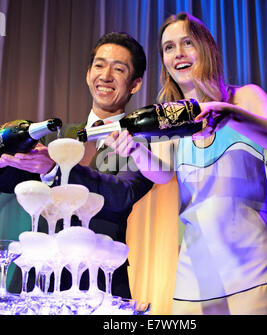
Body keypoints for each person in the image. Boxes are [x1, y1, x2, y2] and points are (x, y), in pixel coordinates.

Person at [104, 12, 267, 314]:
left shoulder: (244, 97)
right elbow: (162, 174)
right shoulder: (171, 118)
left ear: (206, 49)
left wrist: (230, 113)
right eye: (168, 47)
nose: (178, 53)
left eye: (187, 43)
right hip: (192, 282)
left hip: (255, 275)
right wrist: (134, 150)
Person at [0, 32, 153, 298]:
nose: (105, 76)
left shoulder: (140, 145)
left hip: (98, 284)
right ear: (87, 74)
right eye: (99, 65)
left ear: (135, 84)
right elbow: (11, 181)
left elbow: (122, 194)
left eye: (119, 69)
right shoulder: (54, 135)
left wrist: (55, 169)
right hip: (37, 280)